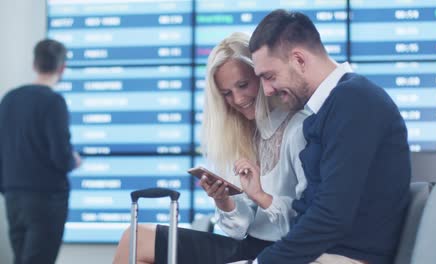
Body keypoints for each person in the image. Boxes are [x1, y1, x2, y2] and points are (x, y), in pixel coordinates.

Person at [113, 32, 308, 264]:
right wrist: (224, 200)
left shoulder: (298, 127)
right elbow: (237, 230)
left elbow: (308, 221)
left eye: (243, 85)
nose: (237, 99)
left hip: (282, 250)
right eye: (226, 93)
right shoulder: (246, 134)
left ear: (262, 76)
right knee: (134, 238)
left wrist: (261, 196)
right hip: (250, 244)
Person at [243, 9, 411, 264]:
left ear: (299, 60)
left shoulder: (354, 101)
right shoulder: (332, 107)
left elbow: (332, 215)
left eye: (269, 76)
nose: (266, 91)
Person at [0, 38, 81, 264]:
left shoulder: (9, 99)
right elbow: (62, 158)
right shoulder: (54, 102)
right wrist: (74, 160)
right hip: (47, 199)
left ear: (34, 64)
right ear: (62, 68)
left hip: (14, 197)